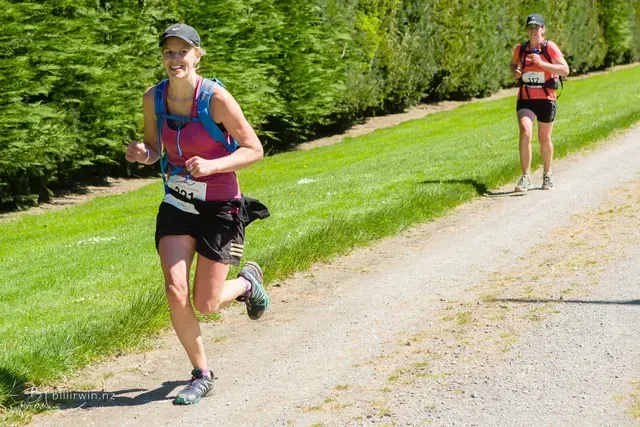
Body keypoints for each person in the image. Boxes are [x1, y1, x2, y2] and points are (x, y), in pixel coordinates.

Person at [124, 23, 270, 405]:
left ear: (197, 55)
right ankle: (202, 373)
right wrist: (144, 154)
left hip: (220, 205)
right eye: (169, 52)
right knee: (175, 291)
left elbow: (254, 149)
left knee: (206, 303)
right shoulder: (153, 98)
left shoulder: (216, 99)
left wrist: (213, 165)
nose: (175, 59)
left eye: (182, 52)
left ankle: (248, 284)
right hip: (177, 202)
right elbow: (156, 148)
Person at [509, 14, 569, 192]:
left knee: (544, 139)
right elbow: (512, 64)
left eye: (536, 27)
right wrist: (516, 71)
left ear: (543, 29)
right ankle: (526, 176)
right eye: (530, 27)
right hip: (525, 98)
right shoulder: (521, 49)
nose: (533, 31)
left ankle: (547, 174)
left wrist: (542, 64)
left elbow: (565, 70)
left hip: (546, 99)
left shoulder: (549, 48)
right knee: (525, 132)